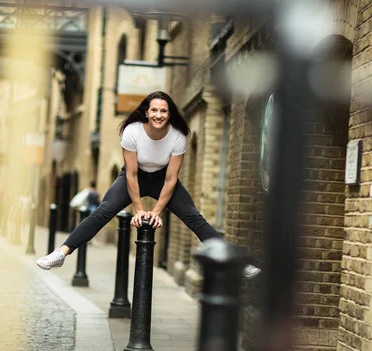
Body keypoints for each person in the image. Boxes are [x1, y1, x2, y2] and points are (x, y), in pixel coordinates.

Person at [36, 91, 261, 278]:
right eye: (154, 110)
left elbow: (172, 178)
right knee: (102, 212)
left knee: (194, 217)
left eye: (163, 111)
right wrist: (140, 210)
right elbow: (132, 175)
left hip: (163, 179)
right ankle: (61, 253)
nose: (158, 115)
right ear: (147, 112)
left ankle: (238, 264)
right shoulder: (132, 132)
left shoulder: (178, 136)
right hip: (133, 177)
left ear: (169, 114)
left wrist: (155, 212)